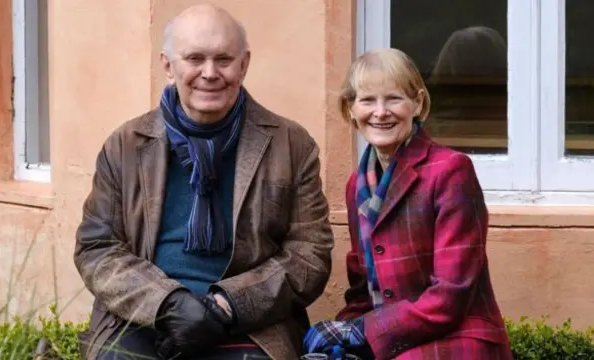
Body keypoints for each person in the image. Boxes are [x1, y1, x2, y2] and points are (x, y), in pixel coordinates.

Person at [73, 4, 334, 359]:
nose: (210, 73)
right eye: (195, 58)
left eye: (224, 59)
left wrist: (226, 305)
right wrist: (169, 305)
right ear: (168, 65)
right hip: (142, 317)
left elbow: (310, 254)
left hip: (250, 324)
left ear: (244, 64)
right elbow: (97, 248)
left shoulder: (291, 144)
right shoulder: (126, 145)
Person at [302, 48, 513, 359]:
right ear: (350, 109)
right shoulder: (356, 186)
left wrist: (360, 332)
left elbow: (451, 295)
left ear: (417, 103)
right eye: (368, 100)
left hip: (460, 337)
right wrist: (342, 339)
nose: (381, 112)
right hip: (396, 340)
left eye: (394, 98)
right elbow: (362, 291)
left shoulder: (451, 170)